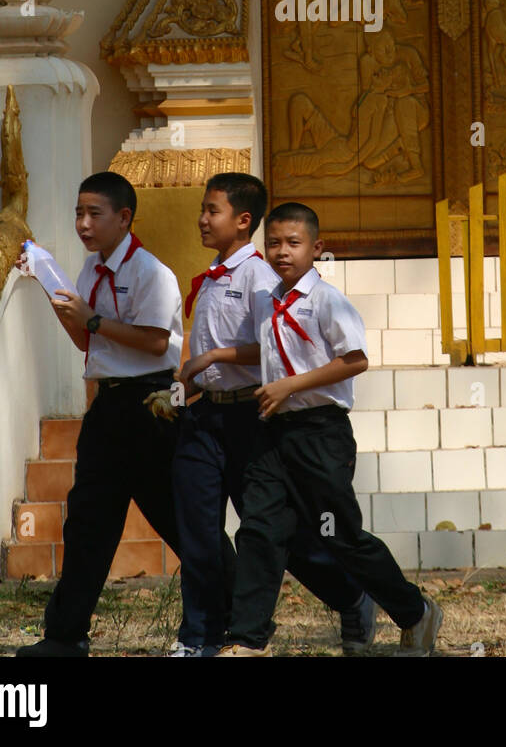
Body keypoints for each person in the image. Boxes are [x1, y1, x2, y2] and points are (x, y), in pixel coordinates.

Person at [215, 201, 443, 657]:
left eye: (294, 244)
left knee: (338, 535)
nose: (283, 252)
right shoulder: (267, 300)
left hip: (320, 433)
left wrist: (289, 386)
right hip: (272, 431)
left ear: (316, 248)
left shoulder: (327, 301)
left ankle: (414, 610)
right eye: (274, 243)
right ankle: (246, 640)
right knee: (259, 528)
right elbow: (262, 350)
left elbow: (355, 360)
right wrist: (209, 362)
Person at [170, 172, 374, 658]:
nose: (201, 219)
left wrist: (216, 357)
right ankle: (201, 636)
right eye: (202, 208)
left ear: (243, 221)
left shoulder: (263, 279)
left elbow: (267, 350)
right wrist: (182, 389)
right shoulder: (211, 276)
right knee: (197, 529)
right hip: (203, 419)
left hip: (250, 419)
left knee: (278, 534)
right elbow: (201, 354)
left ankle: (350, 596)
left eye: (211, 210)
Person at [16, 171, 183, 658]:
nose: (83, 224)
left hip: (152, 405)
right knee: (87, 522)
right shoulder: (90, 269)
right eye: (78, 213)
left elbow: (155, 342)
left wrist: (91, 318)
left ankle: (236, 619)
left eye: (94, 213)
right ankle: (65, 636)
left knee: (180, 520)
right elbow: (91, 342)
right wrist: (62, 305)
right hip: (108, 405)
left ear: (124, 217)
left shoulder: (152, 272)